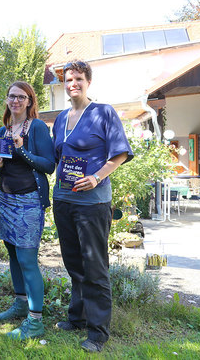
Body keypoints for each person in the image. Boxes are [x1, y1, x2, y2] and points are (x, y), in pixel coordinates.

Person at [52, 61, 133, 353]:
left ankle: (98, 333)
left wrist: (97, 177)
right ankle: (77, 317)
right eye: (69, 79)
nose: (72, 83)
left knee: (95, 266)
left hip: (92, 203)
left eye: (78, 78)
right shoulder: (61, 118)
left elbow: (120, 153)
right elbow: (56, 157)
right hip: (63, 199)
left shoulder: (103, 112)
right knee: (73, 262)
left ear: (88, 82)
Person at [0, 81, 55, 340]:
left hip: (28, 200)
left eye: (21, 97)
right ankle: (20, 303)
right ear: (6, 100)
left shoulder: (37, 127)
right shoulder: (1, 131)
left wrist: (21, 150)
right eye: (11, 96)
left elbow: (48, 165)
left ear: (29, 101)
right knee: (13, 255)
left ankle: (35, 321)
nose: (15, 101)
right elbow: (6, 165)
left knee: (27, 259)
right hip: (4, 198)